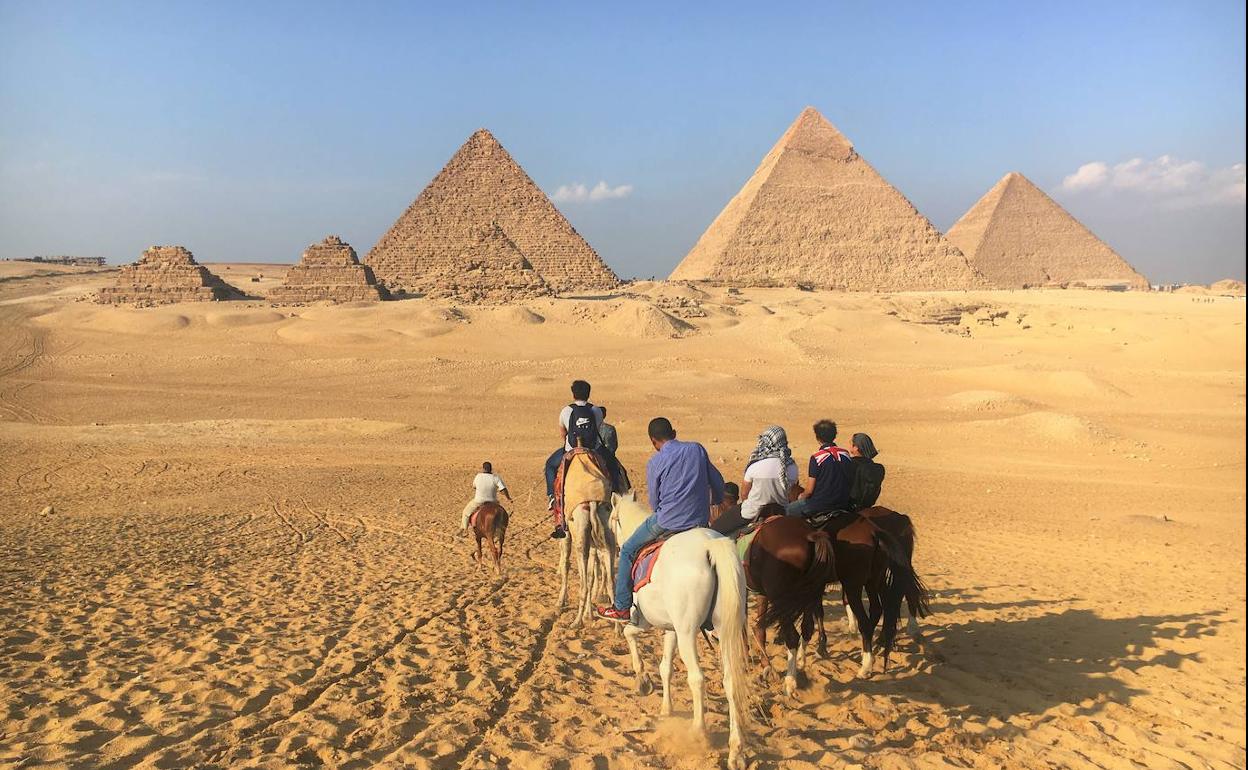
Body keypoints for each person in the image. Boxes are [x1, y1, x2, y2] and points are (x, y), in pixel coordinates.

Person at [595, 417, 725, 622]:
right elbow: (717, 482)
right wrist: (715, 500)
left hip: (668, 521)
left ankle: (621, 607)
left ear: (653, 441)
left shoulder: (655, 461)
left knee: (628, 549)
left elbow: (655, 502)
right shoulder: (697, 449)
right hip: (699, 521)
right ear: (674, 433)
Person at [712, 425, 798, 535]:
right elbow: (790, 492)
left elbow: (744, 494)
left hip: (753, 512)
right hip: (782, 511)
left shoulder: (756, 465)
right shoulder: (792, 467)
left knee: (716, 529)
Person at [785, 419, 852, 518]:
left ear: (817, 437)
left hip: (820, 504)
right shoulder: (846, 454)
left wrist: (800, 497)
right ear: (834, 435)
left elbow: (809, 491)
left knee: (786, 510)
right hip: (843, 502)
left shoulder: (817, 457)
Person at [460, 461, 512, 531]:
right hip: (493, 501)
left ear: (483, 469)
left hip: (479, 501)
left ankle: (463, 529)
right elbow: (503, 489)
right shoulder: (496, 477)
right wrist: (508, 498)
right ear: (491, 469)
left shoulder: (478, 476)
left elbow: (474, 487)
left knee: (466, 512)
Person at [846, 432, 885, 511]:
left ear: (856, 447)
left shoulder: (848, 464)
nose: (849, 445)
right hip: (867, 507)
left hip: (849, 507)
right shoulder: (876, 468)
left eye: (851, 443)